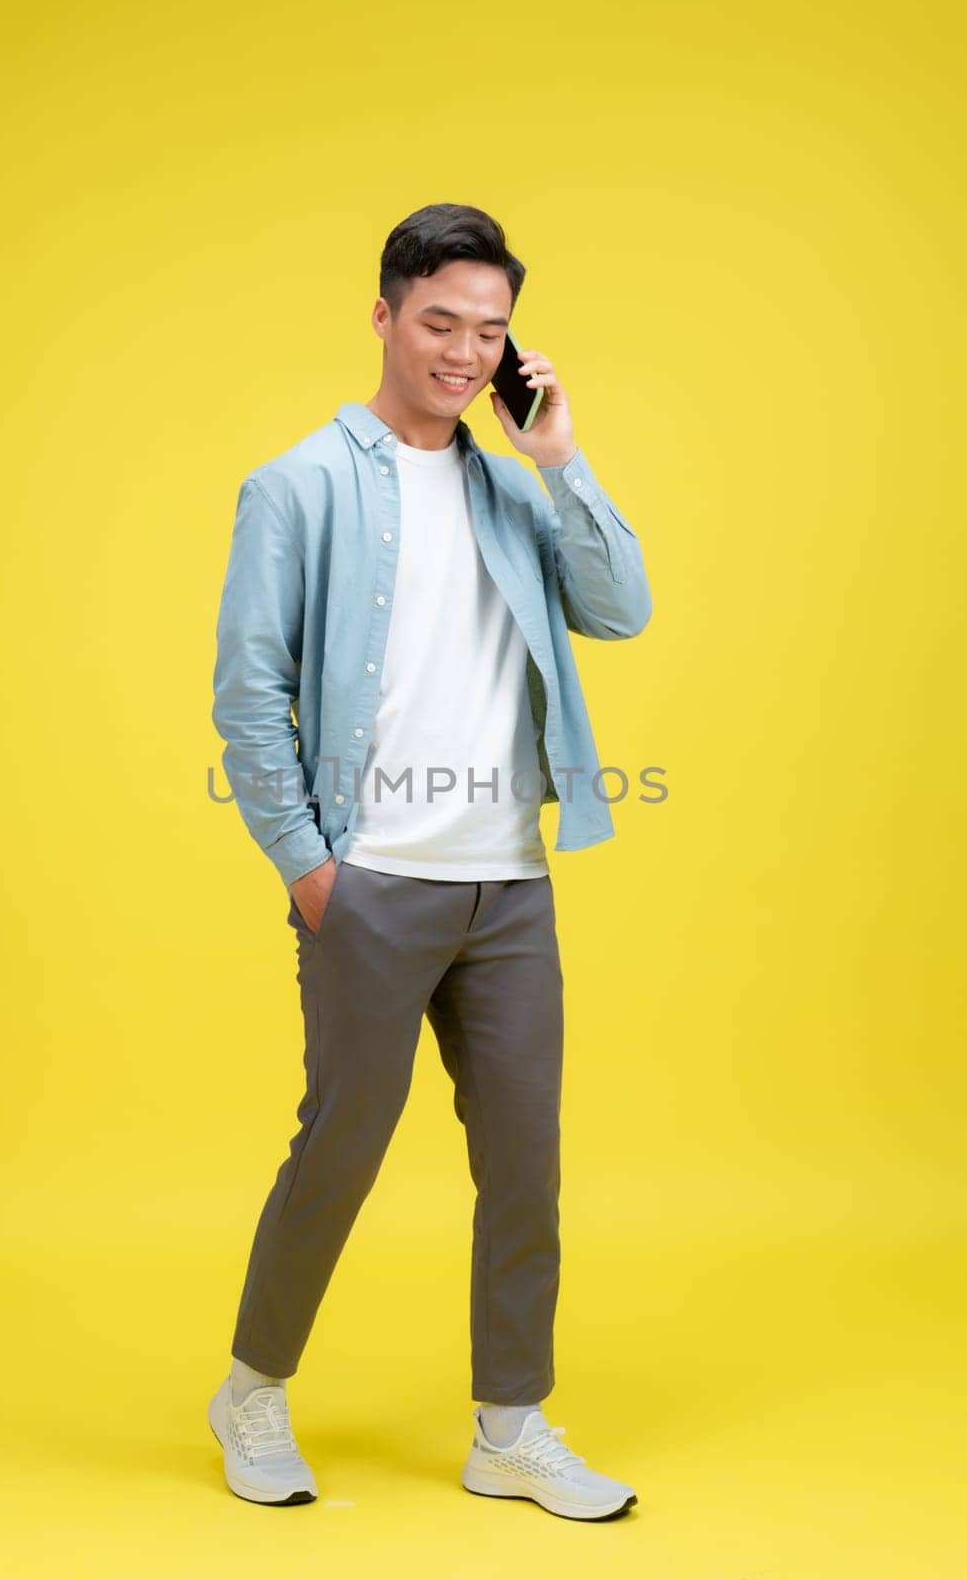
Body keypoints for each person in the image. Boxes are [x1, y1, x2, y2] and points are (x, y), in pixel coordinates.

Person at [208, 202, 652, 1520]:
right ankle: (252, 1390)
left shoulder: (515, 491)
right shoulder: (298, 484)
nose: (465, 351)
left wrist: (561, 458)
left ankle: (509, 1424)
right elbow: (248, 696)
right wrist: (307, 865)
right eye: (441, 321)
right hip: (374, 882)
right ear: (387, 314)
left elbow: (620, 605)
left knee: (525, 1160)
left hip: (509, 881)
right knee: (343, 1143)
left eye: (492, 330)